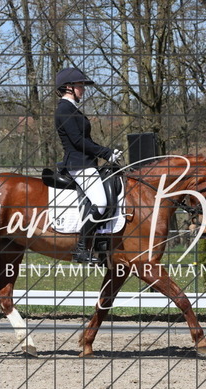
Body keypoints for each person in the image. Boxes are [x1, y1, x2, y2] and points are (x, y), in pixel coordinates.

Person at [54, 67, 121, 263]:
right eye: (80, 85)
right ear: (68, 87)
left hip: (86, 163)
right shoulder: (64, 109)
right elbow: (77, 141)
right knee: (101, 203)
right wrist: (106, 153)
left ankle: (102, 243)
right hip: (78, 165)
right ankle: (81, 249)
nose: (83, 89)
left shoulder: (72, 109)